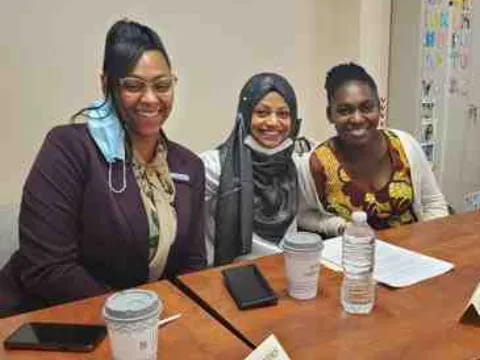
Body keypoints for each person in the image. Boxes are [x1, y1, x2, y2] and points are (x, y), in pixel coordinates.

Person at [0, 19, 206, 317]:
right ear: (106, 83)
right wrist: (130, 315)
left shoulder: (189, 166)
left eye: (162, 86)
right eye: (133, 86)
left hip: (142, 327)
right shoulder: (68, 148)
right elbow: (47, 268)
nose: (151, 99)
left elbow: (193, 265)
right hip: (46, 321)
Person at [297, 63, 448, 235]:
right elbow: (303, 215)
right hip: (353, 255)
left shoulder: (404, 145)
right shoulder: (317, 162)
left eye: (367, 107)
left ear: (380, 108)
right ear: (330, 114)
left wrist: (430, 245)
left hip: (412, 252)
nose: (357, 119)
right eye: (344, 110)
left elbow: (433, 203)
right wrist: (339, 226)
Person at [202, 72, 311, 266]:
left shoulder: (296, 164)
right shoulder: (213, 166)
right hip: (229, 276)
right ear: (244, 115)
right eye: (262, 112)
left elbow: (304, 214)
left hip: (285, 271)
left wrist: (337, 226)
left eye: (283, 114)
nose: (273, 122)